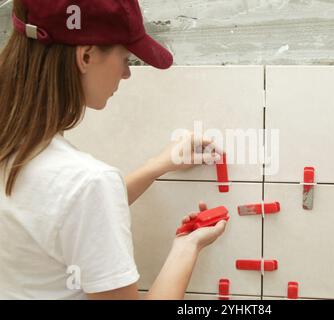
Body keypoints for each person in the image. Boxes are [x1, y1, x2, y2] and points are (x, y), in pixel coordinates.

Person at [0, 0, 227, 300]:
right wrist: (187, 247)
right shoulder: (88, 183)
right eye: (126, 59)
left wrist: (156, 166)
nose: (126, 75)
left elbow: (58, 213)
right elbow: (78, 199)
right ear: (86, 55)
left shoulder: (17, 149)